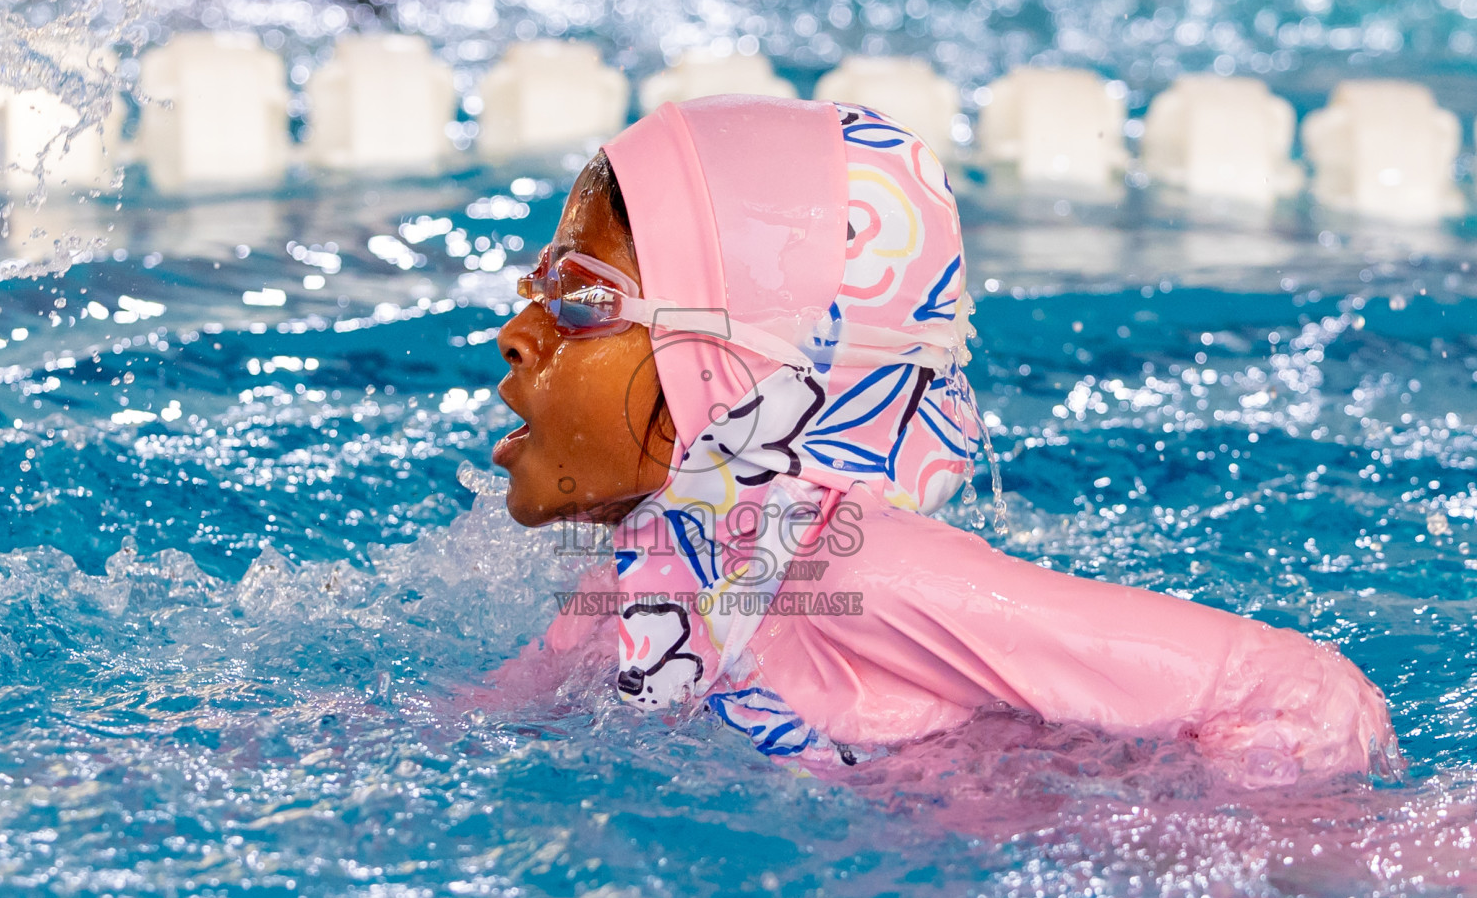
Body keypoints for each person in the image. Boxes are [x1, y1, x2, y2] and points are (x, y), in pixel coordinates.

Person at [491, 94, 1398, 789]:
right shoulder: (644, 578)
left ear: (732, 360)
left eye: (578, 298)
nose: (518, 332)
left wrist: (1209, 862)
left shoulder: (858, 577)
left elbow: (1296, 690)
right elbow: (478, 728)